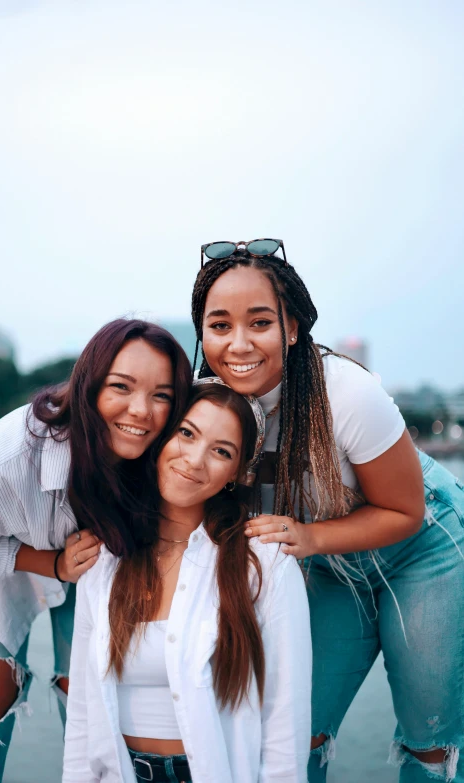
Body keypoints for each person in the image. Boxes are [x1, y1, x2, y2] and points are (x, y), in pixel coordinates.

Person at [191, 239, 464, 783]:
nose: (239, 344)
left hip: (421, 549)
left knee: (429, 740)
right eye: (219, 325)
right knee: (294, 732)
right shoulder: (207, 407)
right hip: (331, 564)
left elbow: (403, 512)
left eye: (260, 323)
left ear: (292, 328)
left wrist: (310, 539)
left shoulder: (347, 393)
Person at [0, 318, 192, 783]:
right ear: (88, 386)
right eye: (121, 387)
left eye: (162, 395)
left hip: (96, 558)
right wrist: (52, 563)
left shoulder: (169, 450)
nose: (142, 411)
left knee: (90, 694)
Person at [63, 380, 311, 783]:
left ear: (236, 473)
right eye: (186, 433)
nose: (195, 460)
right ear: (161, 437)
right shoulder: (106, 558)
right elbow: (82, 712)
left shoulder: (264, 563)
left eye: (221, 451)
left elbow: (286, 723)